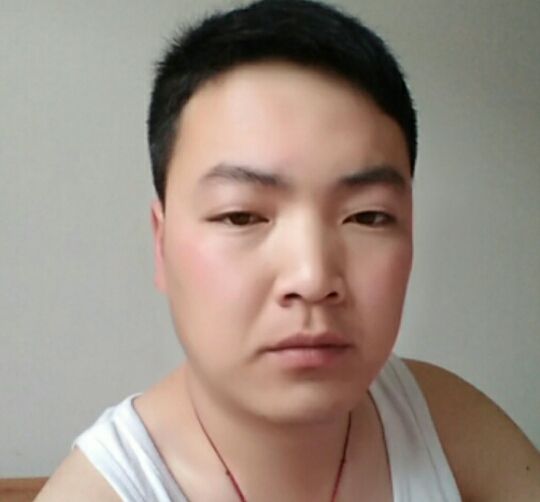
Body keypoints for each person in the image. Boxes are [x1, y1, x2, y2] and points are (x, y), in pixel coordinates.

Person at [37, 1, 539, 500]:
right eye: (241, 216)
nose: (312, 277)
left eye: (367, 216)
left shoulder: (444, 421)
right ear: (160, 243)